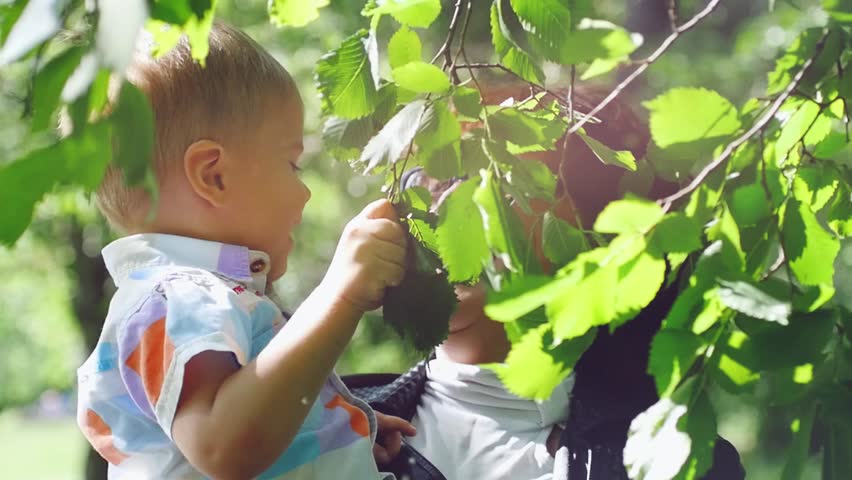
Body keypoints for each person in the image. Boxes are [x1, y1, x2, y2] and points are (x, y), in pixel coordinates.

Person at [347, 85, 745, 480]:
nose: (436, 207)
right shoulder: (318, 423)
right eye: (426, 178)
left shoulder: (675, 464)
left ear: (592, 238)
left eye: (483, 178)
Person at [76, 23, 416, 479]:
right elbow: (224, 445)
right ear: (213, 175)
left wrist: (333, 431)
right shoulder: (178, 298)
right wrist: (341, 294)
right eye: (291, 163)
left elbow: (255, 421)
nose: (305, 193)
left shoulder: (208, 297)